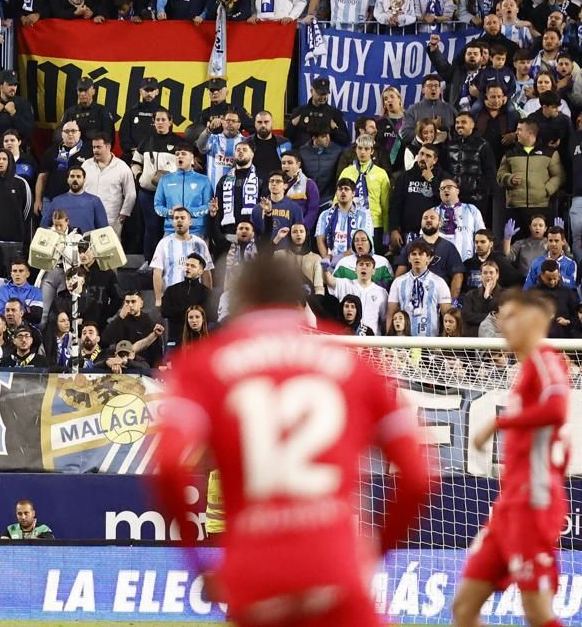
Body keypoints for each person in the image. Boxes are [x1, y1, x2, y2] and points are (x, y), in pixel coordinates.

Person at [149, 256, 433, 627]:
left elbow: (169, 467)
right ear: (299, 303)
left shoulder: (203, 367)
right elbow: (418, 476)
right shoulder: (354, 364)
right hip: (336, 570)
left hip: (255, 578)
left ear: (239, 300)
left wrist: (198, 562)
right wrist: (375, 552)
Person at [451, 289, 572, 627]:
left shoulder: (546, 360)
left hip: (533, 504)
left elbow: (558, 408)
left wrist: (499, 422)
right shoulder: (525, 369)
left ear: (534, 319)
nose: (503, 325)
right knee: (463, 607)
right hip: (508, 506)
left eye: (510, 317)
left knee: (537, 613)